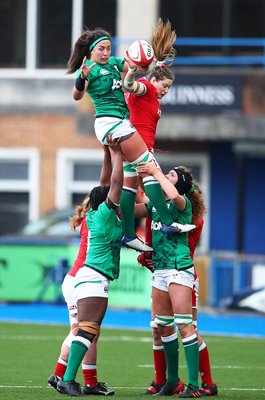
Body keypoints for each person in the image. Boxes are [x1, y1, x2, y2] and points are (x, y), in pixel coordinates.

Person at [66, 24, 194, 253]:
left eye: (108, 48)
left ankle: (128, 234)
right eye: (101, 49)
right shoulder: (91, 70)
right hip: (110, 122)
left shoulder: (115, 63)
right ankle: (167, 222)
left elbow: (135, 66)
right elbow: (77, 95)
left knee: (130, 183)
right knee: (150, 167)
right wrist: (81, 77)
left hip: (121, 125)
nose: (106, 53)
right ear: (91, 51)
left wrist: (145, 59)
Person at [56, 137, 124, 396]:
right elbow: (113, 183)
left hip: (87, 276)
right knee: (86, 330)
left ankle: (64, 376)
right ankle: (67, 379)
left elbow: (106, 184)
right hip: (90, 277)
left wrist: (108, 154)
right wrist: (118, 153)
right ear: (106, 202)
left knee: (86, 330)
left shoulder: (93, 215)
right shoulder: (106, 214)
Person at [135, 162, 207, 398]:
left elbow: (175, 194)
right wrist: (130, 181)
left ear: (181, 183)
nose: (166, 175)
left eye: (171, 174)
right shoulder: (157, 205)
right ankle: (172, 381)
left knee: (185, 326)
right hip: (161, 272)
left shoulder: (182, 203)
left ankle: (194, 384)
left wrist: (155, 172)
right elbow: (134, 210)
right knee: (163, 326)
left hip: (179, 269)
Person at [143, 210, 218, 397]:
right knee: (158, 328)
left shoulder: (189, 216)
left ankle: (207, 382)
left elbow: (165, 234)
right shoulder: (166, 210)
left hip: (182, 276)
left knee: (188, 327)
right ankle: (163, 381)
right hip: (163, 273)